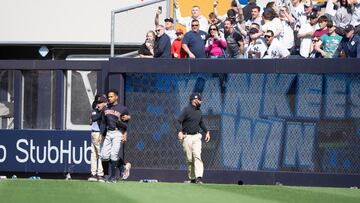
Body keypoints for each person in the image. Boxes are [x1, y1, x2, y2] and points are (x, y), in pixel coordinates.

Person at [177, 93, 210, 184]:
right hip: (187, 137)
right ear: (194, 100)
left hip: (196, 137)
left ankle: (199, 177)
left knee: (197, 155)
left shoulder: (199, 111)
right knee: (189, 159)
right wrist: (180, 131)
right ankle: (192, 178)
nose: (201, 101)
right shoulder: (186, 110)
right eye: (199, 100)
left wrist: (207, 131)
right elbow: (178, 121)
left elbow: (201, 123)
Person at [100, 89, 130, 182]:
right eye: (108, 96)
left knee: (114, 155)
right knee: (104, 155)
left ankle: (112, 177)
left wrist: (125, 133)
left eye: (111, 96)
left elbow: (126, 122)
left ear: (116, 97)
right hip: (108, 133)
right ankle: (107, 174)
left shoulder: (123, 108)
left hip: (117, 133)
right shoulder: (106, 108)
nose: (109, 98)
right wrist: (101, 134)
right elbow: (104, 122)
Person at [88, 94, 107, 182]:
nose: (98, 104)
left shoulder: (105, 110)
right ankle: (96, 174)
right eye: (98, 102)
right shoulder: (96, 110)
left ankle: (98, 174)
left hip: (99, 134)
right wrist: (101, 111)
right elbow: (93, 118)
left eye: (101, 102)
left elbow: (103, 122)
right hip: (94, 133)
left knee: (98, 154)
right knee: (95, 154)